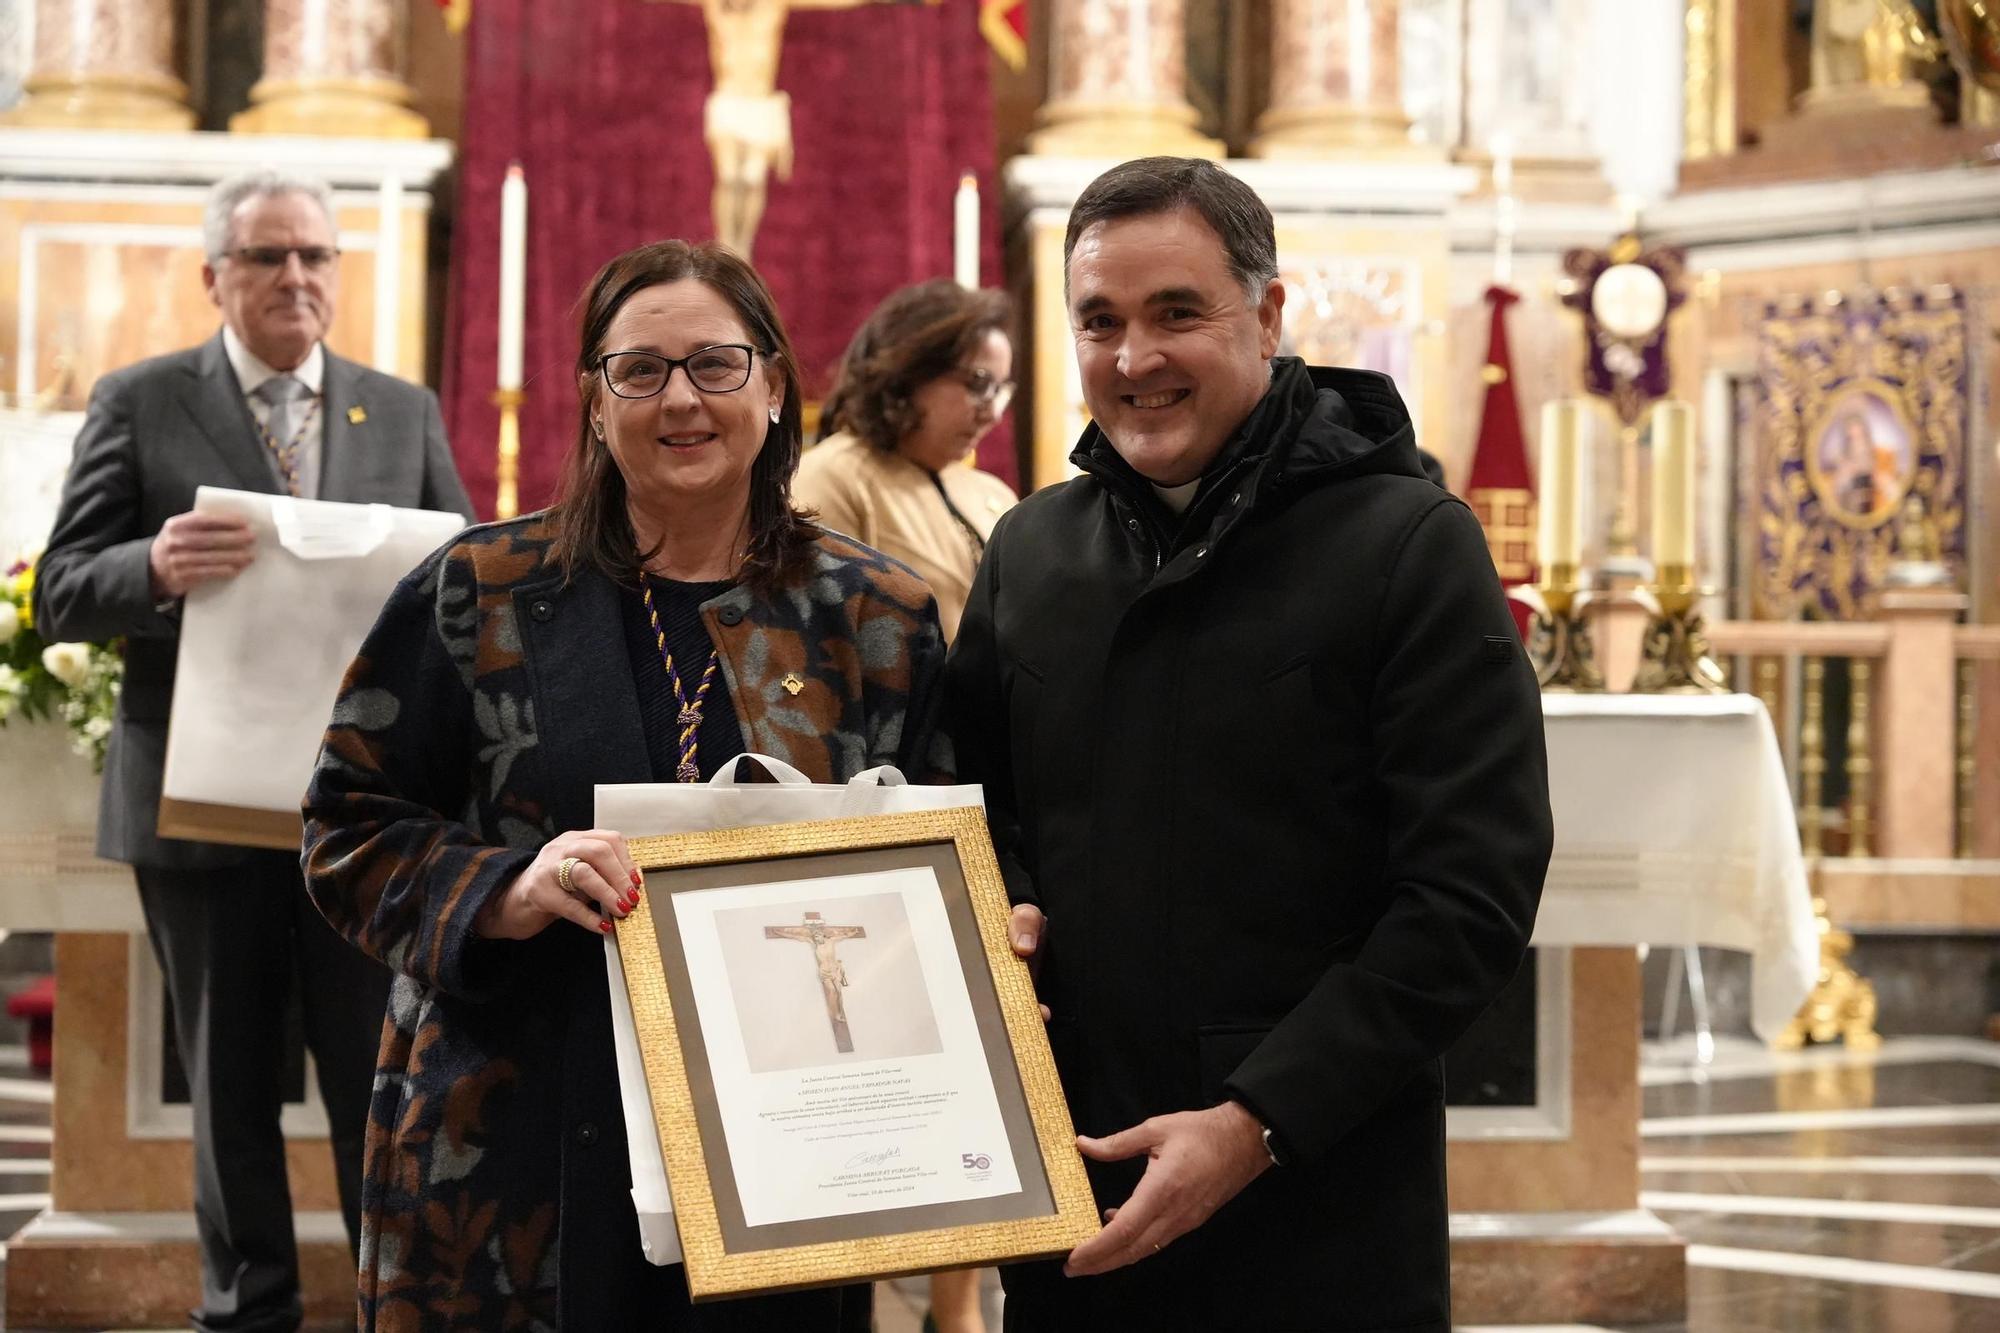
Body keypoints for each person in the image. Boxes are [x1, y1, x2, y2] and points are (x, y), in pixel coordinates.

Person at [945, 157, 1553, 1331]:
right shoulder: (1029, 550)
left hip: (1316, 1202)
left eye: (1176, 312)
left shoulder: (1408, 544)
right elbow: (970, 805)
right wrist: (1001, 898)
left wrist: (1253, 1122)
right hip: (1078, 1189)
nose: (1134, 360)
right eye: (1099, 322)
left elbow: (1467, 895)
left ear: (1268, 313)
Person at [300, 238, 950, 1330]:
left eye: (715, 364)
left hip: (786, 1149)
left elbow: (942, 865)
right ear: (596, 403)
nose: (679, 399)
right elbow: (344, 828)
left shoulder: (876, 618)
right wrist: (504, 888)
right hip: (513, 1137)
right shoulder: (478, 593)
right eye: (639, 370)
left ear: (777, 386)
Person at [32, 168, 472, 1333]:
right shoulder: (141, 399)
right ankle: (247, 1311)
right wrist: (153, 570)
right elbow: (61, 592)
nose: (296, 278)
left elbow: (463, 600)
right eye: (269, 256)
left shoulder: (401, 408)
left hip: (361, 816)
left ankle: (391, 1299)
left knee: (372, 1073)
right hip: (201, 809)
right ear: (215, 275)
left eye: (316, 256)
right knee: (228, 1088)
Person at [796, 279, 1017, 641]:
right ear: (909, 370)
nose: (993, 413)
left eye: (1001, 389)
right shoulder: (831, 479)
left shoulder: (992, 493)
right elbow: (818, 642)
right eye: (978, 383)